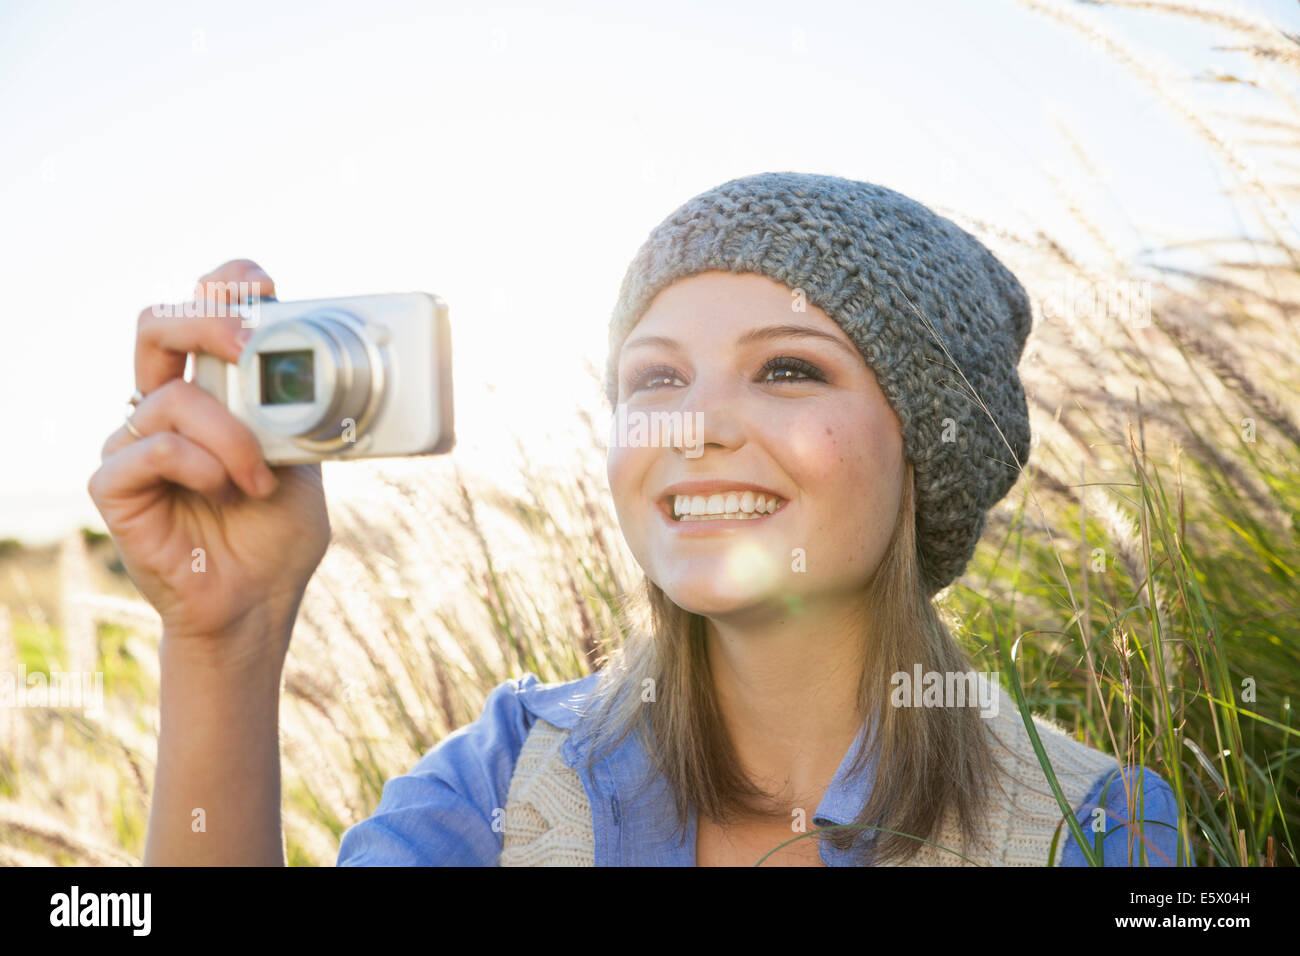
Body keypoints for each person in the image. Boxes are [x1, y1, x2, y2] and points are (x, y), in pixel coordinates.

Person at [90, 171, 1186, 867]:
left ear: (928, 448)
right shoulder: (500, 782)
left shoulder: (1090, 825)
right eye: (653, 379)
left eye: (789, 368)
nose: (692, 425)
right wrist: (224, 641)